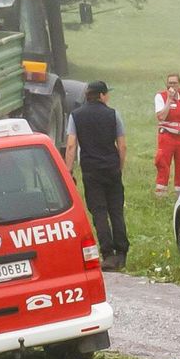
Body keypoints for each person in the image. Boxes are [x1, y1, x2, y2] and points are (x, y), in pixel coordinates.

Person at [70, 83, 129, 267]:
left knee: (99, 212)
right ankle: (122, 252)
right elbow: (122, 145)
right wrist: (119, 166)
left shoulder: (75, 116)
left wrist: (68, 171)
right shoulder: (113, 114)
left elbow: (71, 145)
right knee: (116, 210)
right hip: (111, 168)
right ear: (102, 95)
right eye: (107, 94)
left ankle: (107, 253)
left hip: (91, 171)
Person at [152, 75, 180, 195]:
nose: (172, 86)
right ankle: (161, 194)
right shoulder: (161, 97)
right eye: (169, 83)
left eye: (174, 83)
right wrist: (169, 101)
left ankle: (179, 195)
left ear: (179, 84)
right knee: (163, 163)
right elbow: (161, 117)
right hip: (167, 137)